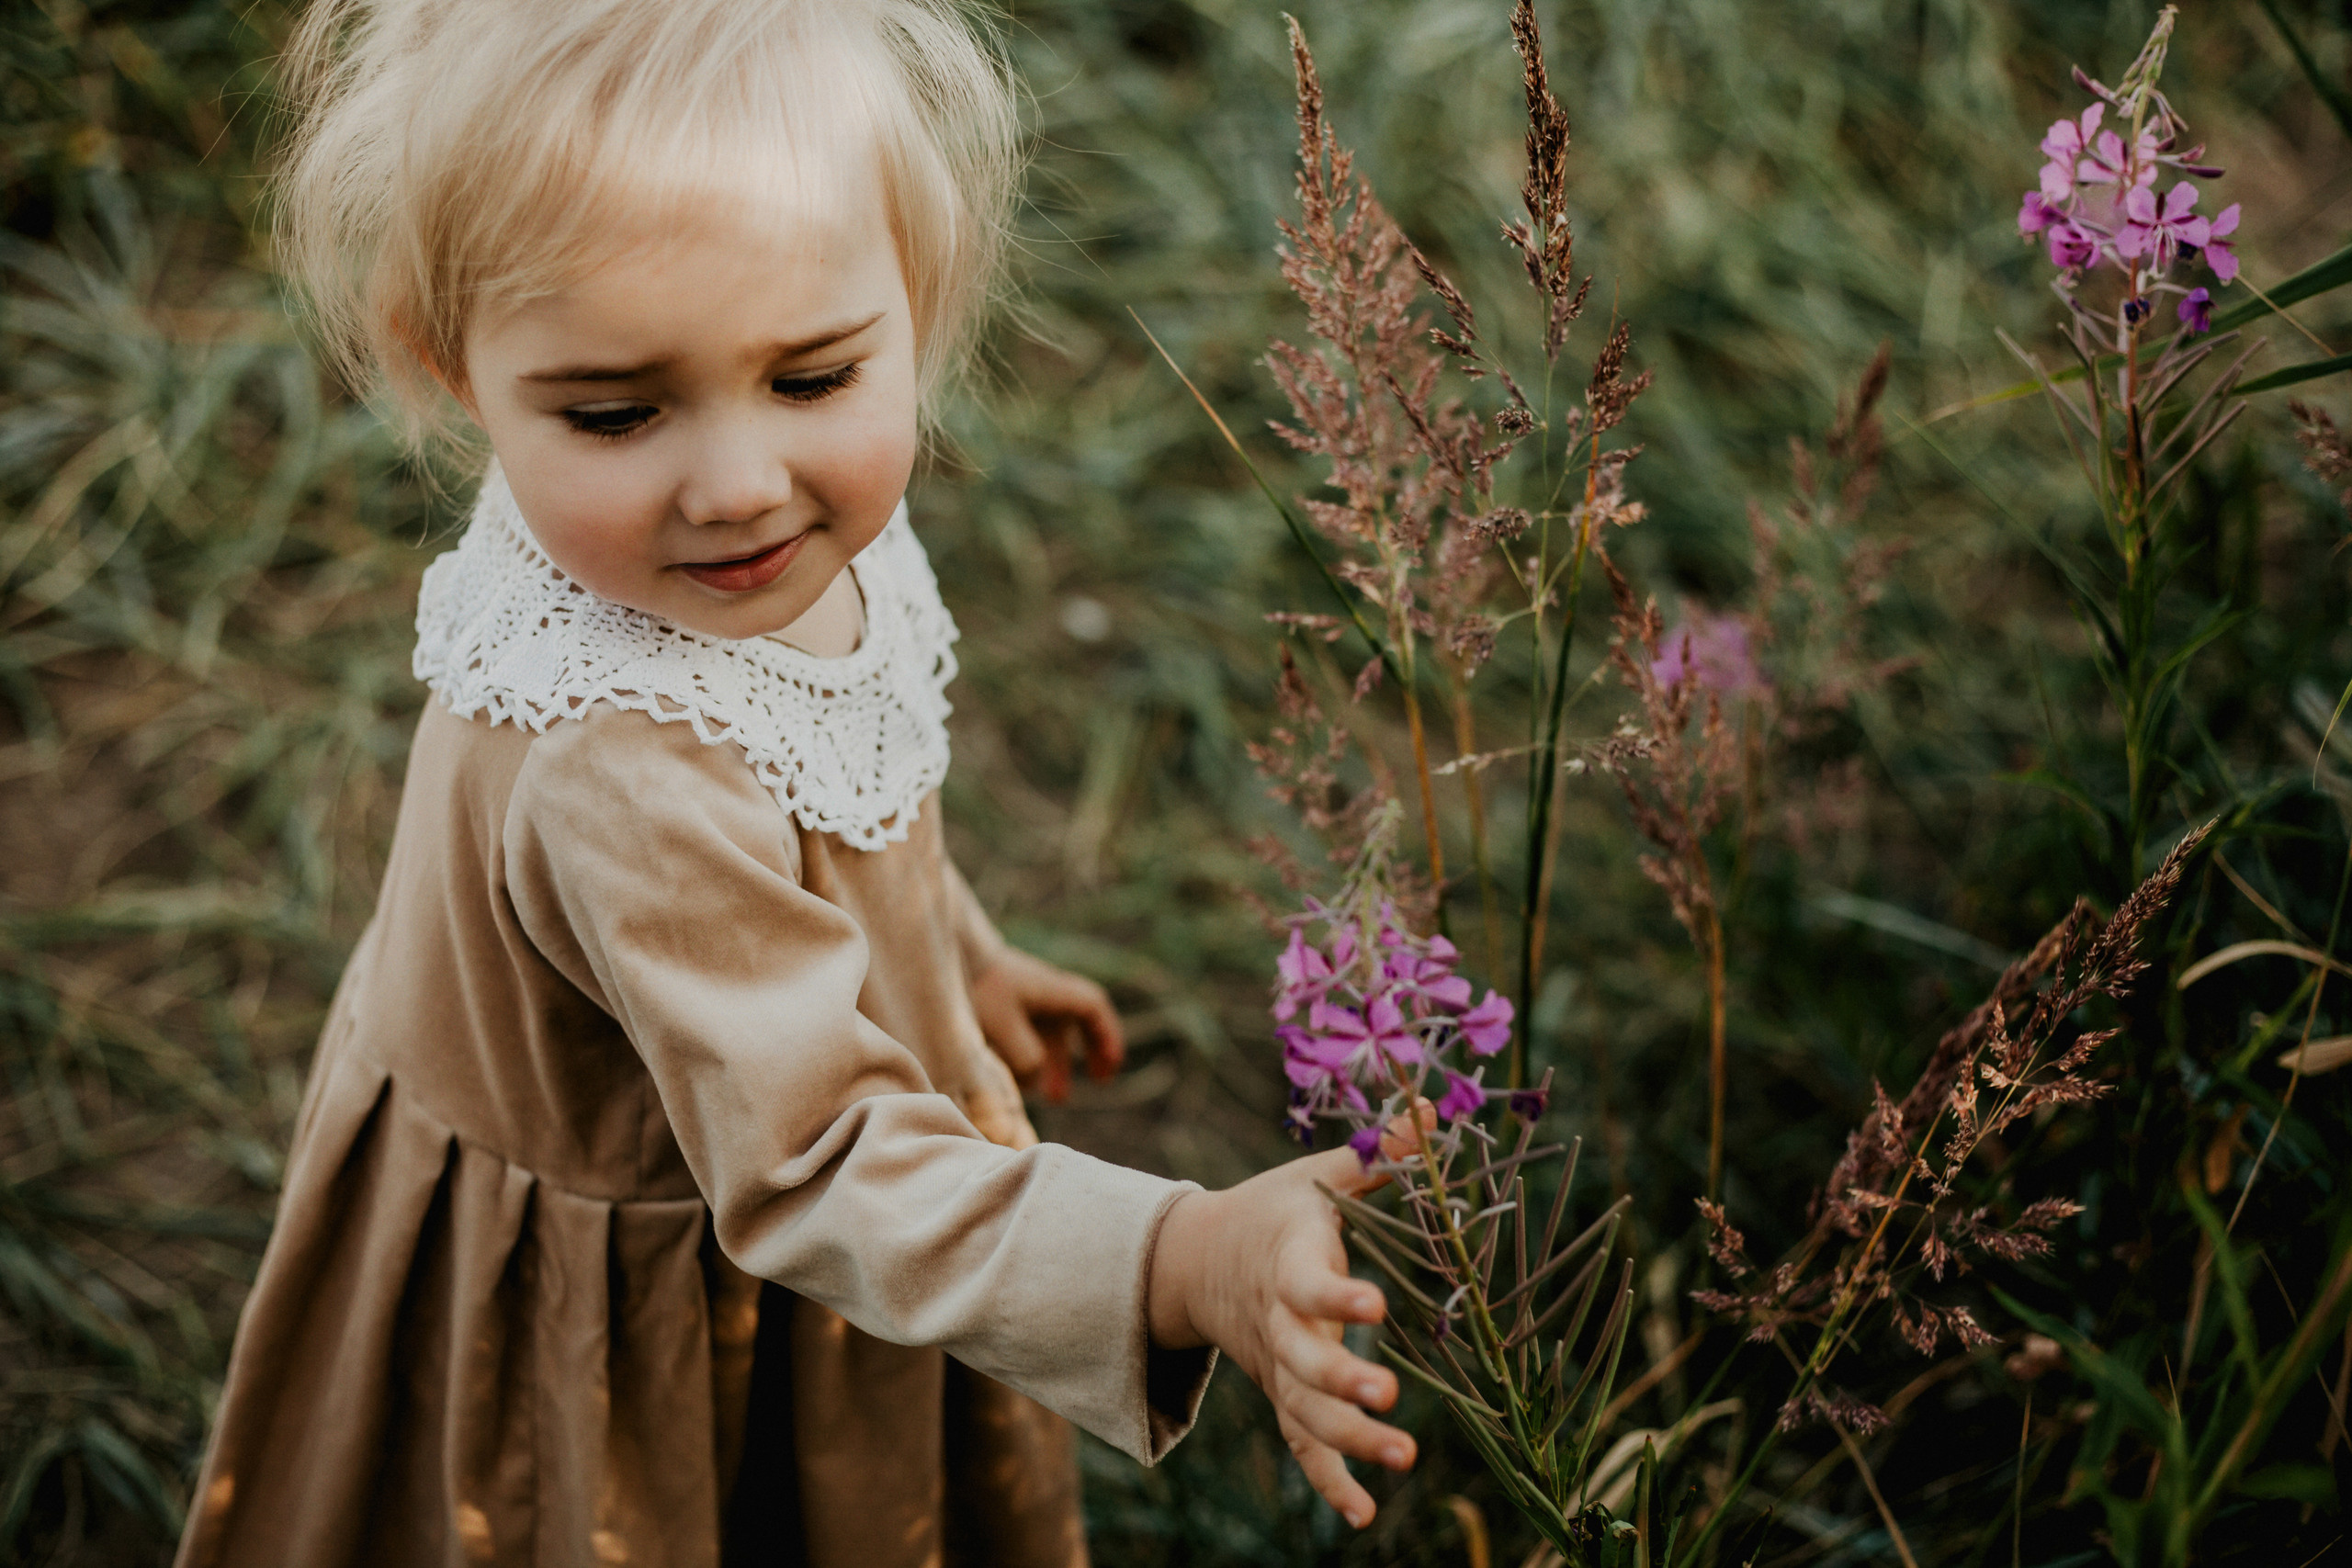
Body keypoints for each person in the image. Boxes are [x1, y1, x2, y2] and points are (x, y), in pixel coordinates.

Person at [175, 1, 1418, 1564]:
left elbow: (828, 788)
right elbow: (819, 1159)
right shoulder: (619, 764)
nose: (741, 481)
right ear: (448, 362)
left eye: (816, 378)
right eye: (617, 412)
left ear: (914, 295)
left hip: (771, 1148)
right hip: (655, 1283)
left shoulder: (763, 553)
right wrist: (1180, 1256)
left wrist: (945, 953)